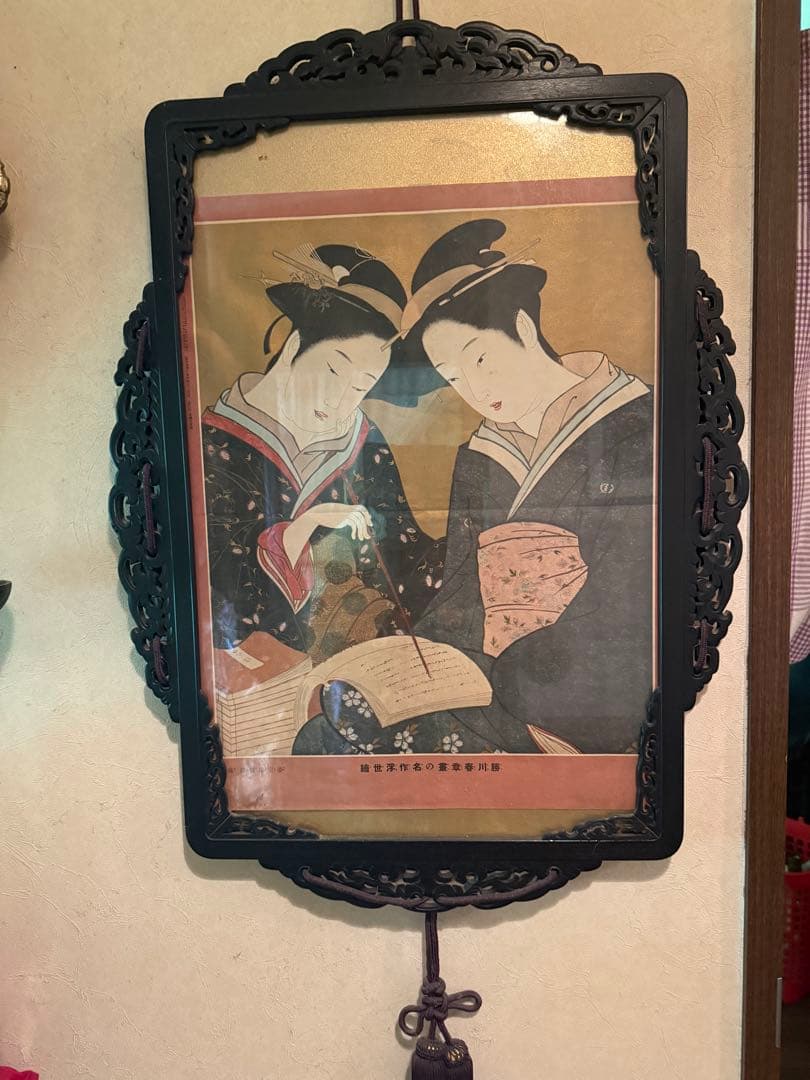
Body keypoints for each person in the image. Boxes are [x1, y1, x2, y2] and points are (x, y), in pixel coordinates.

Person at [301, 219, 654, 755]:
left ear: (524, 328)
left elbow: (631, 602)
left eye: (481, 358)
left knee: (339, 747)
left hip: (572, 695)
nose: (475, 387)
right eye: (453, 375)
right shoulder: (481, 454)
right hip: (485, 680)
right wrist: (423, 661)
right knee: (329, 728)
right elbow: (462, 591)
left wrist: (513, 676)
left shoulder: (636, 426)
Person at [203, 244, 444, 657]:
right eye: (333, 370)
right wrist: (306, 526)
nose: (338, 399)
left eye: (361, 386)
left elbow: (403, 552)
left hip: (360, 657)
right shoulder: (215, 443)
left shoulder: (362, 442)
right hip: (256, 666)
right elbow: (220, 578)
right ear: (294, 346)